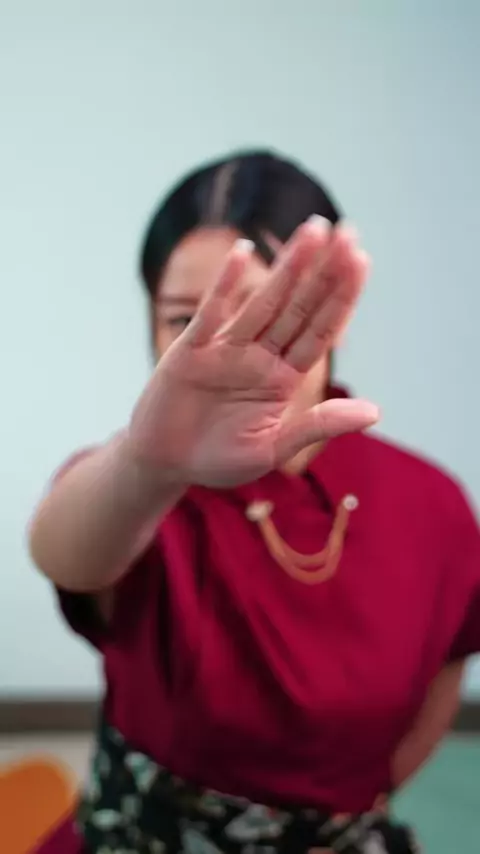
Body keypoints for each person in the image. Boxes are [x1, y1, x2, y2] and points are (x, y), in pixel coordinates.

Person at [29, 150, 480, 854]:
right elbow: (63, 553)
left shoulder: (430, 504)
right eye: (184, 320)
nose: (223, 352)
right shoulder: (137, 486)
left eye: (261, 315)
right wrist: (149, 464)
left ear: (334, 312)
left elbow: (435, 697)